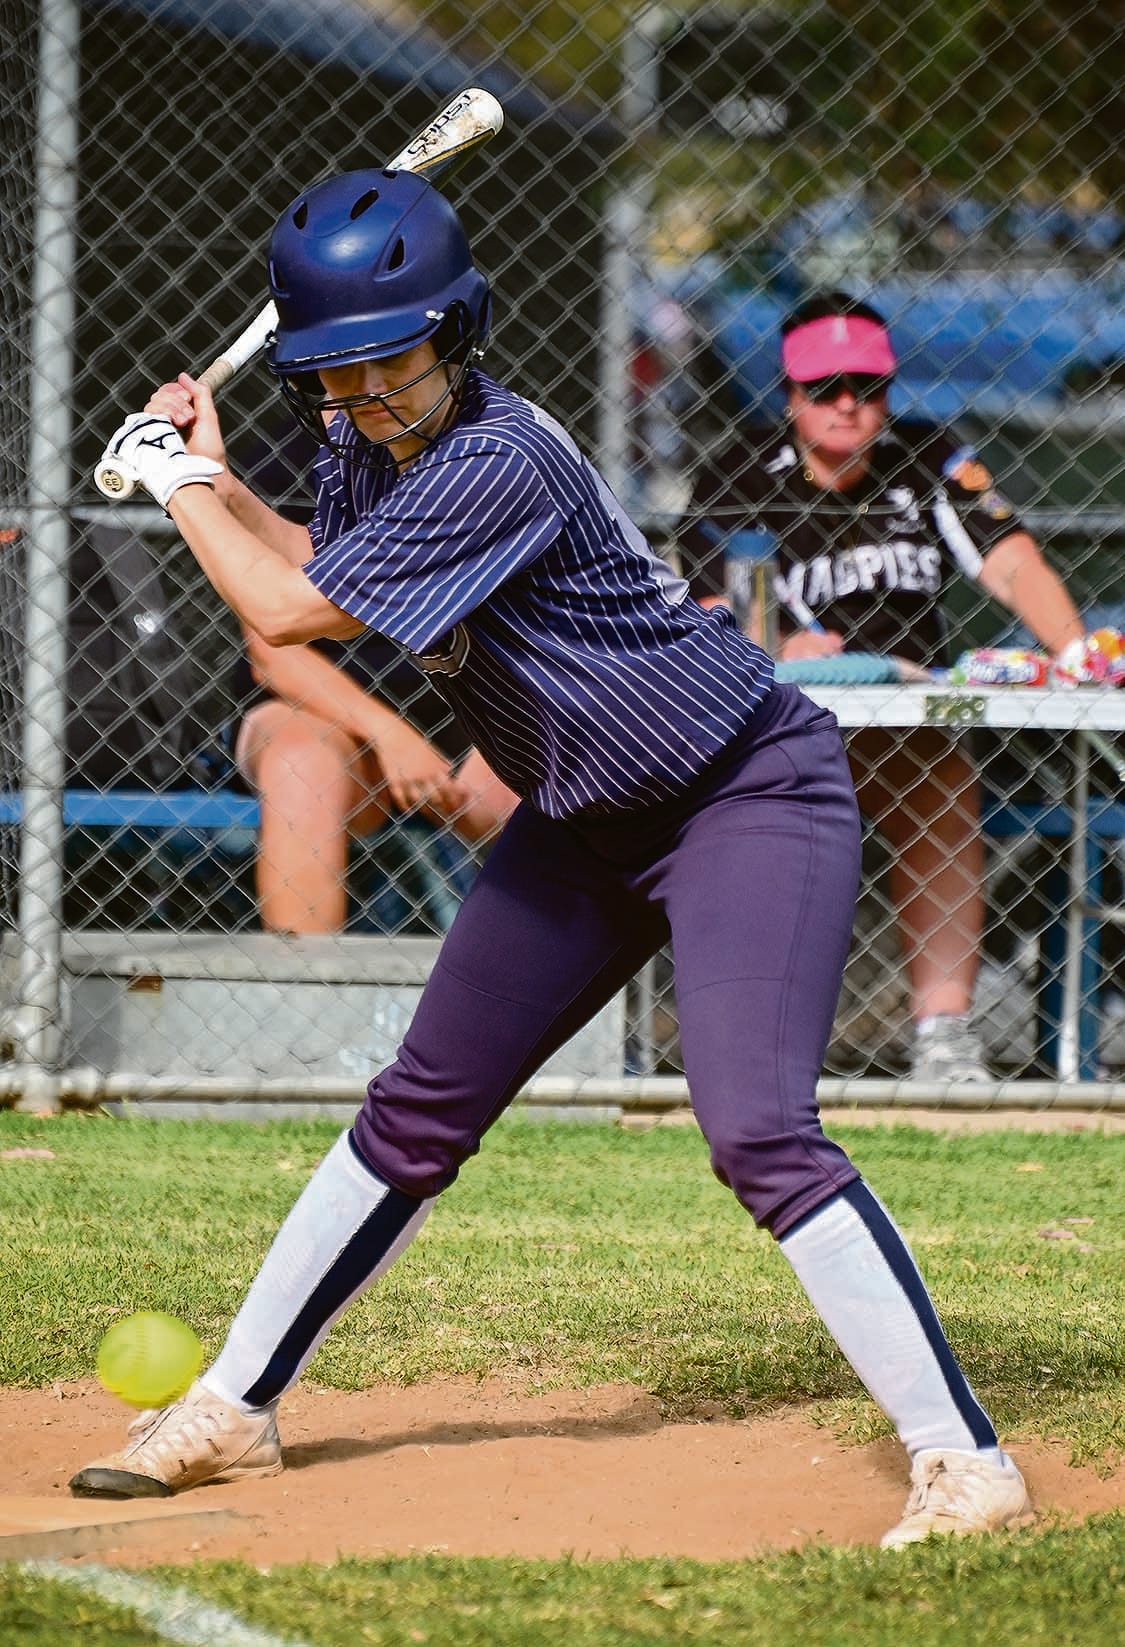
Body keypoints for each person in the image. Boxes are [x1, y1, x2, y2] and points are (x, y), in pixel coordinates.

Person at [70, 175, 1032, 1546]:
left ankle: (963, 1460)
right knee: (415, 1110)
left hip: (741, 789)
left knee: (755, 1128)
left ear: (454, 335)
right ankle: (235, 1403)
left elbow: (285, 612)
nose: (363, 395)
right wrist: (215, 477)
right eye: (333, 373)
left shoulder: (497, 456)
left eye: (389, 360)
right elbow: (325, 567)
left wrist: (173, 486)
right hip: (585, 820)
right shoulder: (362, 441)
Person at [679, 291, 1090, 1083]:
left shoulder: (926, 458)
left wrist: (1073, 648)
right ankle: (754, 1038)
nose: (846, 404)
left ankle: (941, 1034)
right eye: (824, 386)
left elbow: (1009, 560)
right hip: (776, 724)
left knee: (938, 774)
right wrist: (775, 641)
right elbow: (704, 608)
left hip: (904, 729)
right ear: (790, 392)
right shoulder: (736, 470)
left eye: (865, 387)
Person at [230, 431, 516, 934]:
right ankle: (302, 997)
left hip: (464, 714)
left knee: (555, 769)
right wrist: (392, 738)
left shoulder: (479, 450)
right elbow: (273, 656)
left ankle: (530, 997)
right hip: (325, 717)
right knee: (303, 765)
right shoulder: (281, 462)